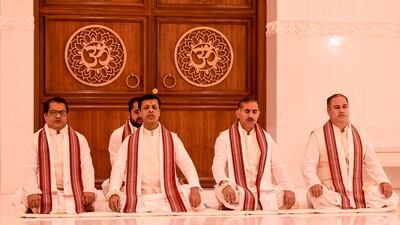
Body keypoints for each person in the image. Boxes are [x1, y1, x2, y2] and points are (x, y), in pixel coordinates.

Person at [107, 94, 202, 213]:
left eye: (154, 107)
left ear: (159, 112)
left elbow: (186, 164)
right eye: (146, 108)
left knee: (189, 195)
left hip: (166, 196)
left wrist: (194, 187)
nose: (151, 110)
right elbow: (118, 169)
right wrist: (114, 191)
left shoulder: (172, 138)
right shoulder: (129, 141)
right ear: (140, 113)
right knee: (119, 198)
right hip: (138, 196)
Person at [301, 93, 399, 209]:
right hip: (330, 190)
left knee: (391, 196)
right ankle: (350, 203)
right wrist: (314, 183)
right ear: (328, 111)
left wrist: (384, 181)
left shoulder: (361, 135)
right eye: (337, 107)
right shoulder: (318, 135)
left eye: (345, 106)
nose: (342, 110)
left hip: (355, 190)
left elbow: (373, 164)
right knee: (318, 197)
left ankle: (347, 203)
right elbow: (307, 166)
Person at [13, 97, 96, 214]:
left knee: (89, 198)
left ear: (67, 115)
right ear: (45, 116)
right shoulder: (34, 140)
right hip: (43, 191)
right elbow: (29, 168)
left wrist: (88, 190)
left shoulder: (79, 139)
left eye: (62, 113)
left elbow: (86, 166)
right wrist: (32, 191)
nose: (58, 116)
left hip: (72, 189)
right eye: (53, 112)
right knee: (23, 195)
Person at [212, 96, 296, 211]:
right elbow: (218, 165)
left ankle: (250, 203)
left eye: (254, 112)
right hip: (237, 190)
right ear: (238, 113)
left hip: (262, 190)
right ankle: (257, 204)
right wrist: (225, 185)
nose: (251, 116)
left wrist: (288, 188)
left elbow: (278, 165)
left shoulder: (266, 138)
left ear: (258, 114)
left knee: (282, 195)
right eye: (247, 111)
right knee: (220, 192)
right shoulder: (224, 138)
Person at [101, 97, 143, 197]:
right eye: (136, 112)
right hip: (126, 179)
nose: (140, 115)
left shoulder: (154, 133)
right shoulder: (118, 134)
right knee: (109, 187)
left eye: (142, 111)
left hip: (151, 180)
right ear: (129, 114)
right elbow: (116, 165)